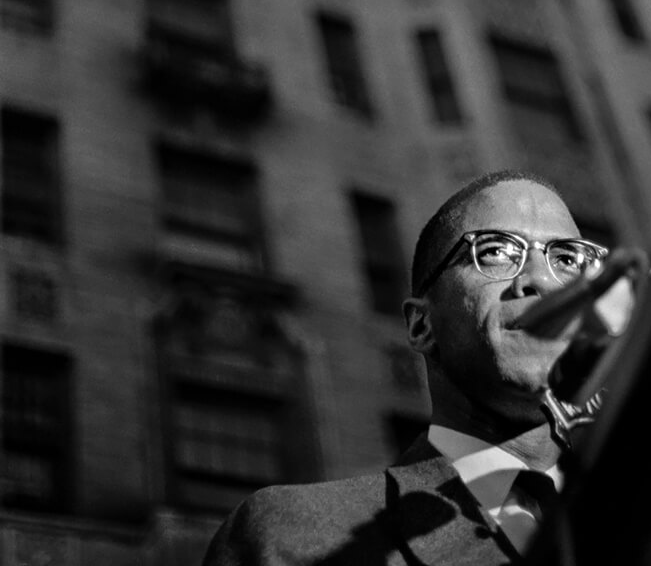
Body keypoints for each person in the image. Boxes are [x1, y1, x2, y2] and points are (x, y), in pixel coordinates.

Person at [201, 169, 611, 566]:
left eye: (569, 260)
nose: (541, 280)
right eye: (496, 252)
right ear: (421, 325)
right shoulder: (297, 536)